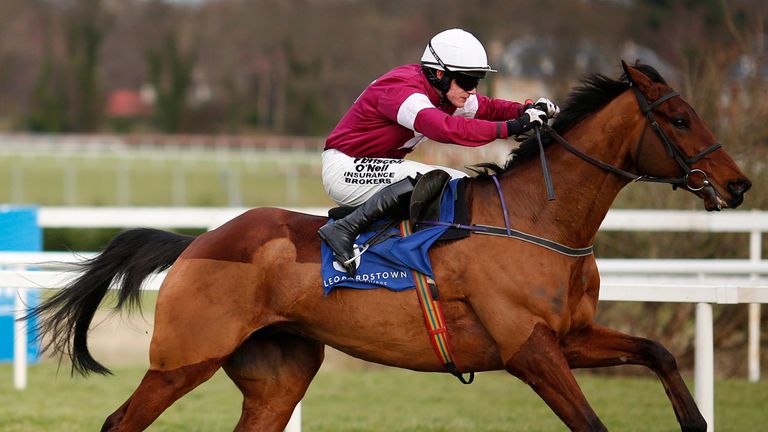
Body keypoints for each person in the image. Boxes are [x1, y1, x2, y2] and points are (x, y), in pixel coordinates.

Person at [318, 28, 559, 275]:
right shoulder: (402, 89)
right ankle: (344, 229)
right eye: (467, 81)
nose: (472, 90)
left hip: (376, 169)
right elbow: (445, 129)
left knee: (459, 183)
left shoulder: (443, 92)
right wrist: (513, 127)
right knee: (438, 181)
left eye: (476, 81)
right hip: (346, 169)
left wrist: (524, 110)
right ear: (439, 73)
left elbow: (487, 108)